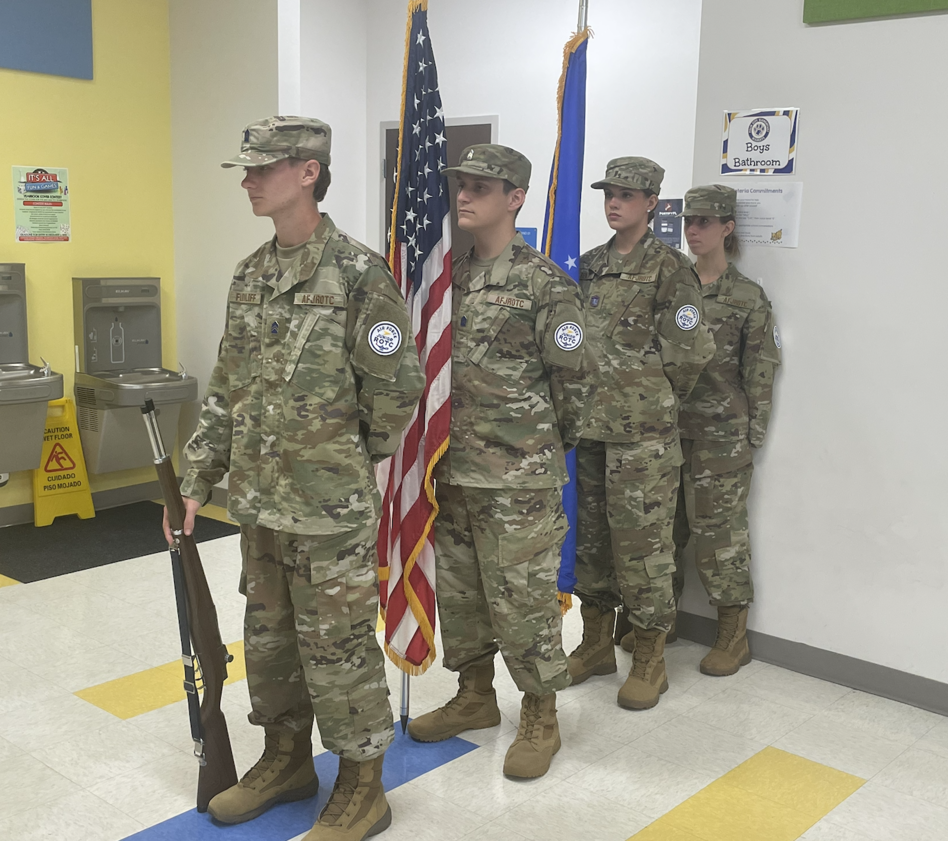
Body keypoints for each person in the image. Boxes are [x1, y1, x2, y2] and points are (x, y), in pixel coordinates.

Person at [168, 116, 425, 841]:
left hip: (327, 508)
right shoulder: (250, 275)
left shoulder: (358, 273)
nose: (247, 179)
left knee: (338, 649)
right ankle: (285, 760)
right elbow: (228, 387)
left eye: (261, 167)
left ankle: (362, 784)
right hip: (259, 506)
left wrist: (339, 456)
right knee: (273, 643)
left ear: (308, 172)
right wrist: (195, 479)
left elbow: (397, 389)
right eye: (246, 168)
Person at [406, 145, 599, 778]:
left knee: (523, 600)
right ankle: (475, 696)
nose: (465, 195)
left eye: (482, 187)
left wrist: (533, 451)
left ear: (515, 197)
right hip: (451, 472)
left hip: (518, 479)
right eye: (462, 185)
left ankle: (540, 714)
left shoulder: (543, 282)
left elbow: (576, 384)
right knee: (461, 594)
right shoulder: (444, 280)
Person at [567, 156, 714, 711]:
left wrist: (649, 396)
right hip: (593, 431)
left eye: (627, 195)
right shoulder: (587, 266)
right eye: (609, 193)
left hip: (645, 439)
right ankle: (596, 644)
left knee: (644, 548)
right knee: (594, 544)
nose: (614, 202)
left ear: (652, 202)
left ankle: (650, 657)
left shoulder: (672, 269)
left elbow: (692, 350)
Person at [672, 184, 781, 675]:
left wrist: (752, 435)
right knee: (660, 532)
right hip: (665, 430)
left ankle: (732, 636)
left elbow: (760, 369)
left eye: (704, 223)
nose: (693, 231)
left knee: (720, 538)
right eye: (688, 222)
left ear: (727, 228)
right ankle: (659, 622)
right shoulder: (671, 286)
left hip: (721, 436)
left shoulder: (747, 297)